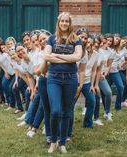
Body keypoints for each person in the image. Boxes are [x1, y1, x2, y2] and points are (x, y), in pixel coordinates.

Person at [44, 12, 82, 153]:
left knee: (66, 112)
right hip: (54, 78)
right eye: (62, 21)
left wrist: (57, 55)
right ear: (58, 23)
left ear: (70, 23)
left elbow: (77, 57)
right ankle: (53, 141)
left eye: (67, 21)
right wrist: (68, 57)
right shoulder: (52, 39)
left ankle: (62, 142)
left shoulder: (76, 40)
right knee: (55, 111)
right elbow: (46, 56)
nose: (64, 23)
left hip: (71, 78)